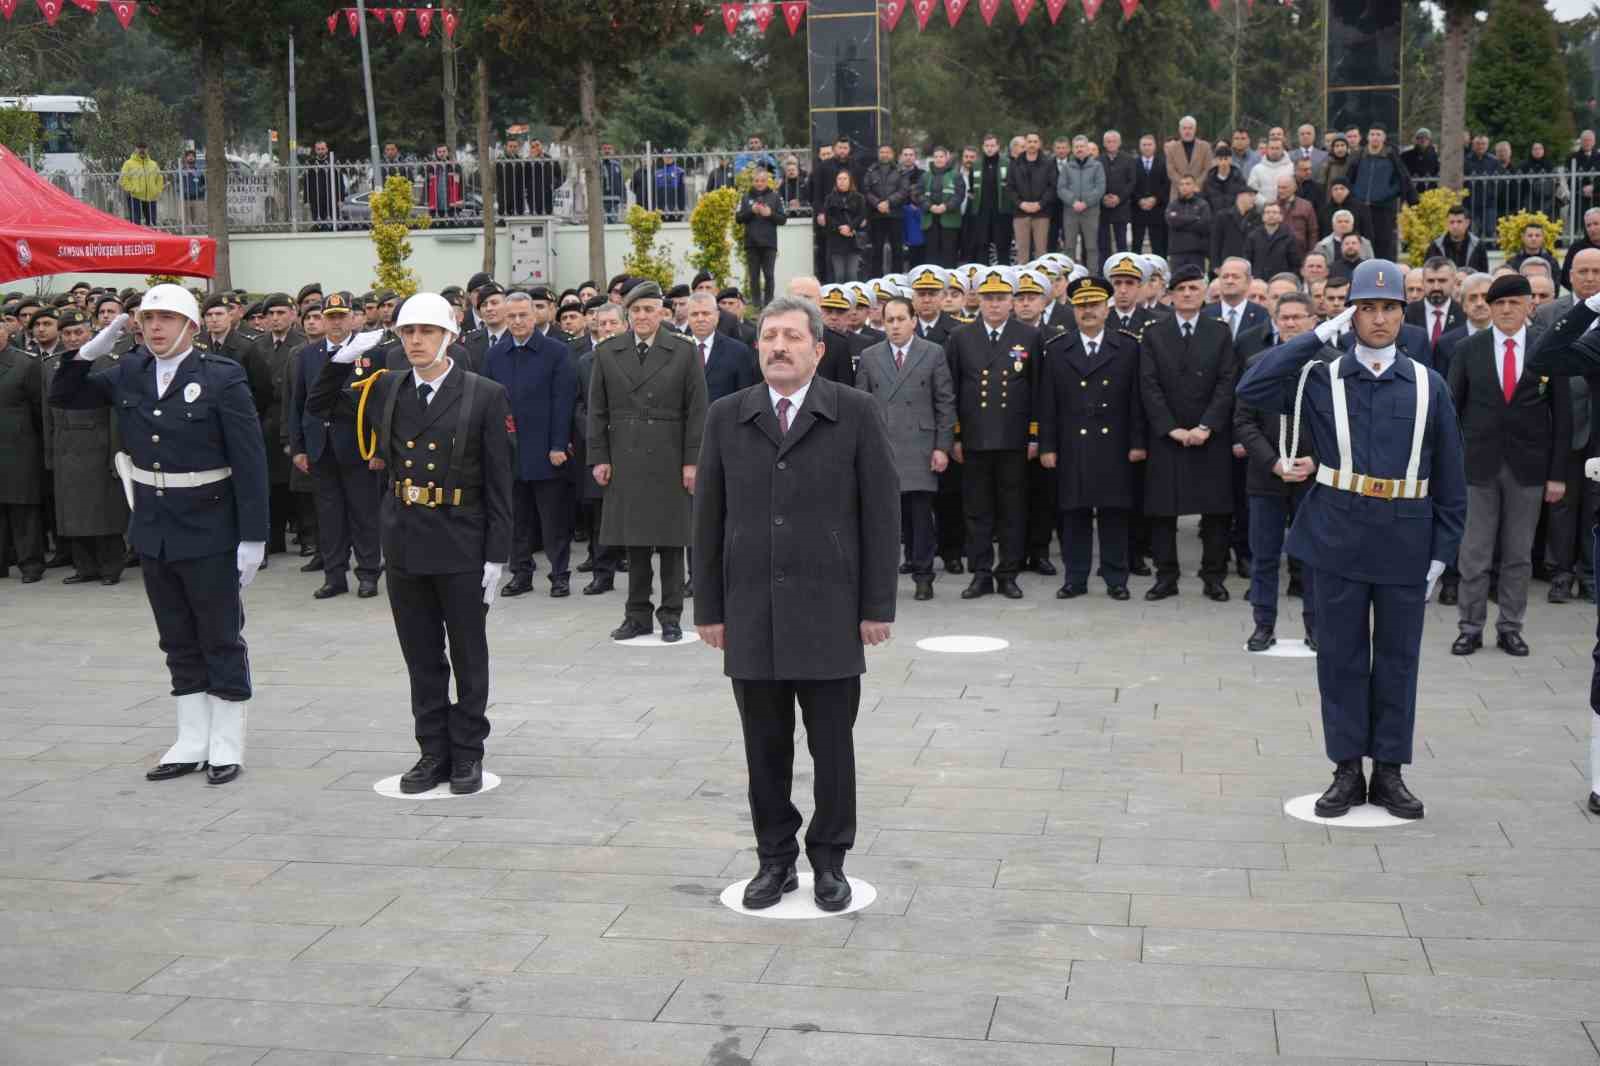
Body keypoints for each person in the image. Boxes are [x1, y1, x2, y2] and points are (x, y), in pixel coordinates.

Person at [1237, 259, 1467, 820]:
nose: (1380, 319)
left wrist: (1440, 556)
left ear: (1402, 314)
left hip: (1404, 537)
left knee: (1397, 659)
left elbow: (1451, 479)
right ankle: (1346, 769)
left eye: (1390, 308)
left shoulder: (1427, 383)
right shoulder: (1323, 375)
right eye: (1368, 308)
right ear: (1352, 314)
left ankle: (1389, 771)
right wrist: (1317, 332)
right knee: (1339, 658)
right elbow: (1255, 384)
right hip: (1336, 533)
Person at [694, 293, 897, 913]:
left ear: (818, 348)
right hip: (752, 610)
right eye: (767, 337)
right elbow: (707, 518)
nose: (777, 347)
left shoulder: (855, 412)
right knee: (765, 747)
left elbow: (881, 516)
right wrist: (709, 608)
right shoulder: (728, 415)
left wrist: (876, 606)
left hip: (830, 609)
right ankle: (774, 859)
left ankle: (830, 859)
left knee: (833, 746)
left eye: (790, 337)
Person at [49, 285, 270, 787]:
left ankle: (225, 743)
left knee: (219, 635)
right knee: (175, 637)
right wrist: (91, 349)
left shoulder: (221, 377)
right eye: (148, 319)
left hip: (210, 524)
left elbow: (250, 460)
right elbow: (65, 395)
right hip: (153, 525)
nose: (156, 328)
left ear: (192, 327)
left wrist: (253, 538)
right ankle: (191, 740)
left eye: (167, 319)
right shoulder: (130, 370)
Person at [308, 293, 515, 795]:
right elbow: (319, 406)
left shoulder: (483, 393)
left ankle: (467, 752)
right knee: (420, 656)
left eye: (426, 332)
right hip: (405, 537)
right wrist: (343, 355)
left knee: (468, 655)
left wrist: (497, 555)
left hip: (462, 537)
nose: (416, 341)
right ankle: (431, 752)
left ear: (447, 337)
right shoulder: (387, 386)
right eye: (407, 333)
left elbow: (500, 481)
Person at [1445, 275, 1568, 657]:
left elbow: (1562, 417)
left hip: (1529, 469)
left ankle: (1511, 628)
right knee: (1474, 554)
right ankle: (1470, 627)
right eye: (1499, 304)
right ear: (1490, 309)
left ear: (1530, 305)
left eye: (1515, 303)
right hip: (1478, 467)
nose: (1506, 310)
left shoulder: (1549, 349)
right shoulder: (1469, 349)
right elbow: (1452, 411)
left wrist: (1557, 474)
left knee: (1517, 555)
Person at [589, 282, 707, 643]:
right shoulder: (609, 352)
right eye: (636, 310)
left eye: (650, 310)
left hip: (670, 454)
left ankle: (670, 616)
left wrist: (692, 462)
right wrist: (599, 457)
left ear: (663, 313)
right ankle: (637, 614)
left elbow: (698, 410)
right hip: (625, 454)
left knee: (672, 540)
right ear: (628, 314)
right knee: (634, 539)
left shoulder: (684, 352)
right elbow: (597, 410)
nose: (643, 316)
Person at [1037, 276, 1145, 599]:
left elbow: (1136, 400)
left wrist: (1138, 442)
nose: (1088, 311)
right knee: (1074, 513)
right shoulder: (1057, 350)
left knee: (1114, 512)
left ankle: (1116, 579)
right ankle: (1076, 578)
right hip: (1073, 443)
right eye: (1082, 305)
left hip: (1114, 444)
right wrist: (1047, 445)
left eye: (1094, 305)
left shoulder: (1127, 346)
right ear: (1073, 309)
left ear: (1107, 308)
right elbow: (1048, 403)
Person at [1141, 263, 1239, 601]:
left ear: (1203, 293)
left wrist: (1205, 426)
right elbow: (1148, 385)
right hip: (1168, 436)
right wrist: (1171, 429)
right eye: (1180, 289)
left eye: (1193, 288)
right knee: (1163, 511)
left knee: (1215, 511)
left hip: (1208, 435)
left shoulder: (1219, 331)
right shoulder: (1154, 333)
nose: (1186, 294)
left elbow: (1228, 382)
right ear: (1170, 294)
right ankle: (1166, 577)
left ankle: (1213, 577)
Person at [1233, 291, 1319, 651]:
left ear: (1314, 322)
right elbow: (1244, 420)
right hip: (1266, 477)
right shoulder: (1258, 362)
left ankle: (1317, 627)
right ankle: (1262, 625)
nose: (1292, 324)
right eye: (1285, 318)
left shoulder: (1331, 364)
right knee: (1264, 556)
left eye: (1299, 317)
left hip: (1314, 478)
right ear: (1275, 322)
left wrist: (1315, 460)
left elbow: (1344, 424)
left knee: (1314, 559)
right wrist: (1273, 462)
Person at [946, 269, 1040, 598]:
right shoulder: (961, 337)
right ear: (979, 301)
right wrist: (954, 436)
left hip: (1013, 438)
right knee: (977, 509)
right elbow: (952, 390)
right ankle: (981, 572)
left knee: (1012, 509)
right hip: (974, 437)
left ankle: (1008, 573)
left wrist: (1034, 435)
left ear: (1011, 302)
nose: (995, 305)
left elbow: (1037, 388)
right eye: (988, 299)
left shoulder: (1028, 336)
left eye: (1001, 299)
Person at [854, 295, 955, 601]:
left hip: (920, 446)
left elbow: (945, 402)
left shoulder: (933, 352)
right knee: (883, 517)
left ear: (914, 321)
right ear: (881, 323)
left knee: (921, 515)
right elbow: (861, 405)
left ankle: (924, 576)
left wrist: (942, 447)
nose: (895, 326)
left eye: (901, 319)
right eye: (889, 320)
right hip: (883, 445)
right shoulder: (870, 356)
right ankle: (882, 577)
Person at [286, 290, 383, 598]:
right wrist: (298, 447)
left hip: (357, 446)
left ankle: (368, 573)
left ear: (353, 318)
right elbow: (298, 402)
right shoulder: (307, 355)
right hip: (320, 446)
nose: (336, 322)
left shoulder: (369, 351)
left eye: (342, 316)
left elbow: (379, 405)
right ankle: (334, 575)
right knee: (329, 516)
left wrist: (379, 450)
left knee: (363, 513)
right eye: (330, 317)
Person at [485, 291, 578, 599]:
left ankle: (559, 574)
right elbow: (489, 403)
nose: (517, 321)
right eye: (511, 316)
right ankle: (521, 573)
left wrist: (557, 445)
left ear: (535, 316)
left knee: (553, 520)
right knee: (516, 519)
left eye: (523, 315)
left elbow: (563, 402)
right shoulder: (496, 354)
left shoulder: (556, 352)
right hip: (509, 450)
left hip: (546, 450)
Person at [40, 308, 129, 587]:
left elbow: (115, 412)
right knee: (72, 512)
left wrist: (115, 452)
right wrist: (50, 452)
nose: (73, 338)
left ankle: (110, 566)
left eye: (79, 332)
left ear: (90, 332)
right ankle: (84, 566)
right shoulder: (51, 365)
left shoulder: (106, 361)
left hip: (97, 443)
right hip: (66, 444)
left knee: (102, 510)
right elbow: (47, 412)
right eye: (67, 333)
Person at [575, 302, 625, 594]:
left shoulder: (641, 359)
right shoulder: (585, 362)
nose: (606, 328)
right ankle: (602, 573)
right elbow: (579, 405)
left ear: (624, 325)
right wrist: (595, 432)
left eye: (612, 323)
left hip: (634, 446)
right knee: (600, 515)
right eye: (601, 323)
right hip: (599, 447)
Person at [0, 329, 45, 583]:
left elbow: (40, 408)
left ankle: (31, 564)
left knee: (23, 509)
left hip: (19, 447)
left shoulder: (25, 364)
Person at [1345, 127, 1414, 262]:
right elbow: (1349, 179)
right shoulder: (1359, 155)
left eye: (1378, 134)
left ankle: (1382, 278)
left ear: (1384, 138)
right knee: (1364, 243)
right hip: (1362, 208)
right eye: (1372, 134)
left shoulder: (1390, 156)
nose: (1375, 137)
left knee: (1384, 244)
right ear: (1367, 137)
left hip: (1384, 208)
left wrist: (1387, 194)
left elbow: (1401, 179)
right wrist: (1356, 195)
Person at [963, 134, 1013, 265]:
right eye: (987, 146)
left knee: (1002, 245)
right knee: (982, 245)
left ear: (998, 147)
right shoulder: (976, 165)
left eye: (992, 146)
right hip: (982, 213)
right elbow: (972, 187)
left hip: (1001, 212)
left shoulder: (1007, 163)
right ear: (983, 147)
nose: (990, 149)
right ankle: (983, 275)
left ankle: (1004, 274)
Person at [1010, 132, 1058, 265]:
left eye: (1035, 141)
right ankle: (1023, 282)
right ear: (1025, 143)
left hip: (1042, 213)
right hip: (1020, 213)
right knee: (1022, 253)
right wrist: (1021, 204)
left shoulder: (1048, 163)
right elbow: (1010, 187)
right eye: (1029, 141)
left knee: (1041, 252)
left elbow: (1052, 187)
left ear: (1040, 144)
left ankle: (1041, 281)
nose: (1032, 144)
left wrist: (1040, 204)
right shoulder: (1015, 163)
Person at [1058, 136, 1105, 270]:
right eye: (1077, 147)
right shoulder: (1067, 167)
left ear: (1087, 149)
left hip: (1090, 212)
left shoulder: (1097, 166)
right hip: (1070, 212)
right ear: (1072, 149)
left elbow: (1100, 187)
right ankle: (1070, 277)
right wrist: (1073, 202)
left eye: (1082, 146)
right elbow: (1061, 188)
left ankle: (1092, 276)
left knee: (1091, 247)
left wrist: (1086, 202)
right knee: (1069, 247)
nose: (1079, 149)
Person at [918, 147, 965, 269]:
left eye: (941, 156)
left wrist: (946, 206)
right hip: (930, 220)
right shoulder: (925, 176)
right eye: (936, 157)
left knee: (949, 253)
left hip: (949, 220)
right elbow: (918, 195)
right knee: (931, 254)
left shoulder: (956, 176)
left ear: (947, 157)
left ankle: (950, 283)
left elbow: (959, 195)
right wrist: (930, 206)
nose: (938, 159)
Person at [1164, 174, 1211, 276]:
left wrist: (1180, 221)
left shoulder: (1203, 204)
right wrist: (1194, 218)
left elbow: (1204, 225)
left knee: (1196, 282)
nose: (1184, 187)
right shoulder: (1173, 205)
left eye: (1188, 184)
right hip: (1177, 253)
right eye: (1181, 184)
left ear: (1194, 186)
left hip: (1196, 253)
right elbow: (1172, 222)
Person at [1132, 133, 1170, 257]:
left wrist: (1155, 199)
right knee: (1136, 244)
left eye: (1149, 145)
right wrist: (1139, 200)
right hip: (1138, 209)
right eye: (1144, 145)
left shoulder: (1163, 163)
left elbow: (1166, 185)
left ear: (1154, 146)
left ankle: (1159, 272)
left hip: (1157, 209)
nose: (1147, 147)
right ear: (1140, 147)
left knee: (1158, 244)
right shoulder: (1133, 164)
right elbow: (1131, 184)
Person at [1245, 202, 1301, 278]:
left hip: (1281, 281)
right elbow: (1247, 261)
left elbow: (1295, 264)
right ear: (1263, 217)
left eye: (1274, 212)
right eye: (1267, 212)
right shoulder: (1253, 236)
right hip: (1258, 281)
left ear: (1281, 217)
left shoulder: (1289, 237)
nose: (1271, 215)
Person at [303, 141, 346, 230]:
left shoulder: (333, 162)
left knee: (331, 225)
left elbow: (340, 182)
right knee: (318, 225)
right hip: (316, 200)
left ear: (326, 149)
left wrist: (341, 199)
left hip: (332, 199)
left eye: (322, 149)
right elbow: (306, 183)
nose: (321, 151)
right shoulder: (311, 163)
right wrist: (306, 200)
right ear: (315, 150)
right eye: (318, 149)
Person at [119, 141, 163, 226]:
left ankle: (151, 239)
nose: (142, 150)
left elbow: (159, 179)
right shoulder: (128, 164)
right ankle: (136, 239)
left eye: (144, 148)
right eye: (139, 148)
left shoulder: (153, 164)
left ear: (147, 150)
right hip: (135, 197)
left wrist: (157, 191)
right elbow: (123, 179)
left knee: (152, 222)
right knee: (135, 223)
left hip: (151, 197)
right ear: (135, 149)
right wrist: (132, 189)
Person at [1164, 115, 1213, 187]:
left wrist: (1195, 185)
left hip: (1200, 191)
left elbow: (1208, 169)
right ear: (1179, 130)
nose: (1187, 131)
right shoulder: (1172, 148)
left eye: (1190, 128)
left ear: (1195, 129)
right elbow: (1171, 171)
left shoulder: (1205, 146)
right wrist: (1184, 185)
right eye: (1184, 128)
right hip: (1178, 192)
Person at [1400, 128, 1439, 193]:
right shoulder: (1406, 155)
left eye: (1426, 138)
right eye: (1420, 138)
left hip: (1431, 191)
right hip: (1412, 191)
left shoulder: (1435, 155)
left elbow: (1438, 171)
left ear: (1430, 140)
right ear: (1416, 140)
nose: (1423, 140)